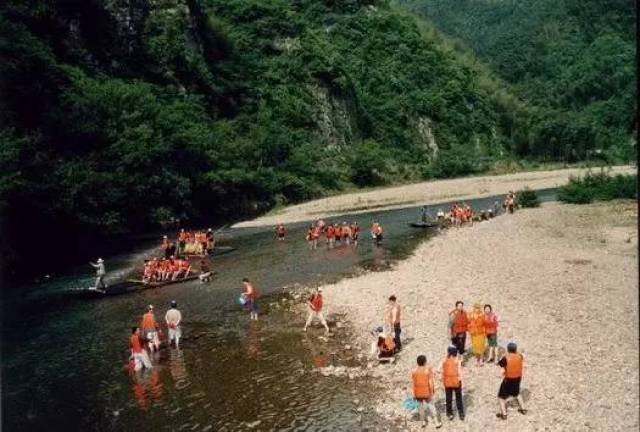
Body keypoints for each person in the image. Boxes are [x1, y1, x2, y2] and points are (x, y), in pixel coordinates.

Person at [496, 342, 527, 419]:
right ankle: (523, 409)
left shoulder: (506, 358)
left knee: (501, 397)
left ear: (508, 350)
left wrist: (503, 356)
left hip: (508, 379)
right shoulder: (520, 356)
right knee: (516, 393)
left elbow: (499, 364)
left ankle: (504, 415)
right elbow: (521, 355)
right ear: (515, 349)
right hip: (518, 378)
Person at [412, 355, 442, 429]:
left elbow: (413, 383)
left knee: (420, 407)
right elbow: (430, 382)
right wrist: (432, 390)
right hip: (426, 391)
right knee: (431, 406)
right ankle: (436, 422)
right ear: (425, 362)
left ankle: (423, 422)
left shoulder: (414, 371)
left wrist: (413, 393)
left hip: (417, 392)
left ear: (417, 362)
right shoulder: (428, 370)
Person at [438, 346, 464, 421]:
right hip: (456, 381)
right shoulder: (457, 360)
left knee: (448, 398)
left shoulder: (444, 360)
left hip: (447, 381)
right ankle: (461, 413)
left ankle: (449, 413)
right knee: (459, 398)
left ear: (448, 352)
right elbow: (459, 372)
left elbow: (438, 369)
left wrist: (443, 374)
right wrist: (461, 381)